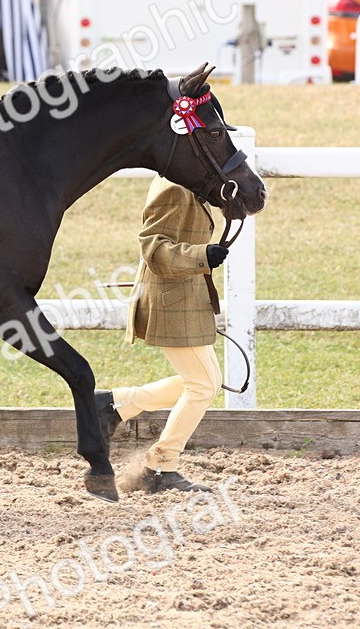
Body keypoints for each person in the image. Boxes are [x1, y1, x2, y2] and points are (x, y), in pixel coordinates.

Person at [96, 175, 231, 493]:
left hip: (185, 296)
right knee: (202, 386)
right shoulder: (173, 187)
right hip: (171, 299)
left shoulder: (190, 182)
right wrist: (202, 255)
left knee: (202, 383)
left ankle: (115, 403)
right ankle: (160, 467)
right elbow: (153, 247)